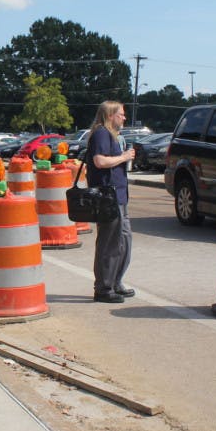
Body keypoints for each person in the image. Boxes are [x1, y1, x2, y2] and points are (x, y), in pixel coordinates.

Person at [85, 100, 135, 304]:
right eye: (121, 114)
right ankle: (104, 288)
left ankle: (115, 282)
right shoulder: (101, 133)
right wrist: (124, 157)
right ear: (110, 115)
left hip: (118, 197)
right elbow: (100, 161)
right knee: (110, 242)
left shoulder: (112, 136)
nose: (124, 117)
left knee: (124, 240)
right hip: (108, 198)